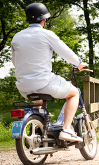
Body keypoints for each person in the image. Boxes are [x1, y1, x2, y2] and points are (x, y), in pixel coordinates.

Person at [11, 3, 87, 142]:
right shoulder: (46, 34)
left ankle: (39, 130)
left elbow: (15, 62)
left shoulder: (16, 37)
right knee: (74, 92)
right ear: (44, 20)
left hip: (23, 86)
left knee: (38, 101)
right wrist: (79, 63)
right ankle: (66, 129)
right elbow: (66, 52)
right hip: (44, 82)